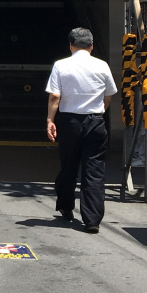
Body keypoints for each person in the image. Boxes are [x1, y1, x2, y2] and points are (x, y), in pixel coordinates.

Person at [45, 27, 118, 234]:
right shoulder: (102, 66)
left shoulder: (61, 65)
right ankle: (92, 219)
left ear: (70, 45)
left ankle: (66, 206)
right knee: (94, 170)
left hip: (69, 122)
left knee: (69, 165)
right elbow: (109, 95)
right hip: (95, 121)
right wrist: (98, 112)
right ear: (92, 46)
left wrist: (50, 120)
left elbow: (54, 97)